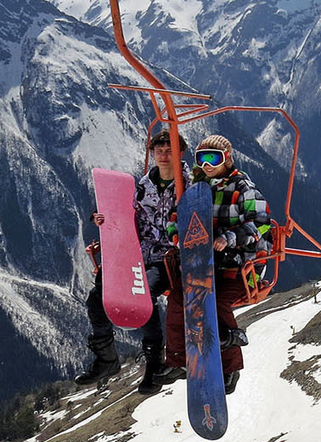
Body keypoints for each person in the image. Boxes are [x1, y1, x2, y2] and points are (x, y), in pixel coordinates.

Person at [75, 130, 189, 394]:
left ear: (179, 152)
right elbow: (122, 211)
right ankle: (106, 358)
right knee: (97, 296)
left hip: (167, 257)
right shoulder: (143, 185)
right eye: (158, 151)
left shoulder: (190, 185)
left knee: (142, 296)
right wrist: (99, 217)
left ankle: (154, 364)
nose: (163, 156)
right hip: (135, 251)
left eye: (168, 150)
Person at [172, 133, 271, 395]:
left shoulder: (242, 187)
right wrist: (176, 234)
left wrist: (231, 237)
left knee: (214, 302)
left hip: (242, 264)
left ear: (227, 159)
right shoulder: (197, 189)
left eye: (213, 158)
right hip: (207, 262)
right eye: (201, 158)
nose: (207, 165)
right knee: (186, 301)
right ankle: (183, 358)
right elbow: (178, 214)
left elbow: (262, 221)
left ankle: (231, 363)